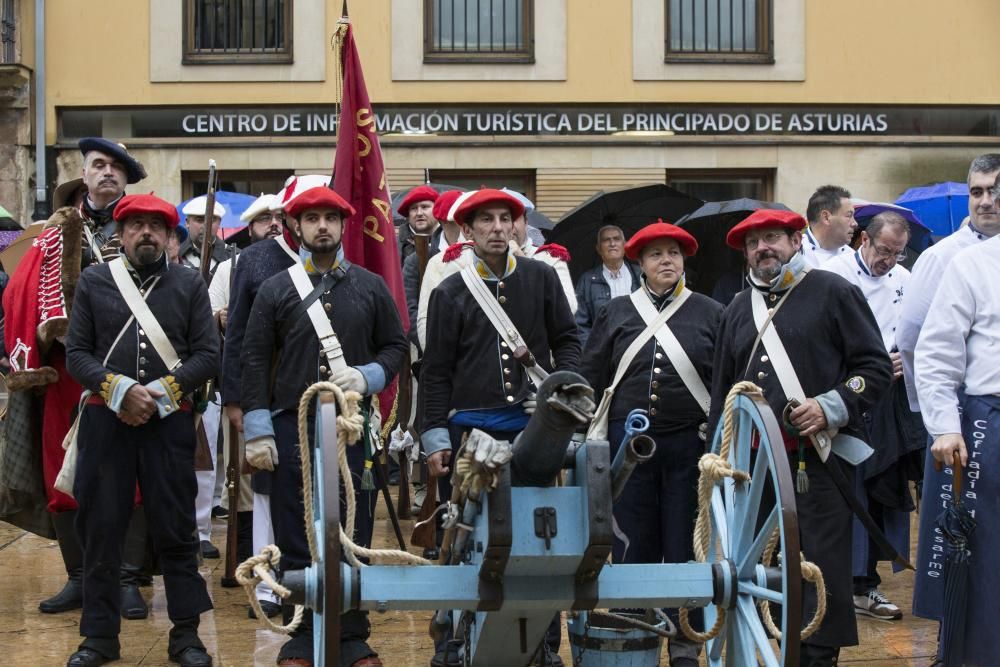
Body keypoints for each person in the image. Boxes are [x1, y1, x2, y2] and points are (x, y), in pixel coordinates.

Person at [709, 209, 892, 667]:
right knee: (761, 572)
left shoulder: (833, 292)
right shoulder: (735, 309)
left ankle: (817, 658)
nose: (762, 249)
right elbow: (722, 397)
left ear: (795, 240)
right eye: (752, 244)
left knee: (822, 568)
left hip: (817, 461)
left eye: (772, 238)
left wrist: (830, 405)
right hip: (752, 473)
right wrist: (715, 460)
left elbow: (874, 369)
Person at [241, 185, 406, 667]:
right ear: (296, 226)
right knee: (296, 531)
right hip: (291, 427)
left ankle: (352, 634)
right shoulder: (275, 289)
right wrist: (257, 428)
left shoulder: (371, 286)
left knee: (352, 531)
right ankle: (302, 632)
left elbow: (396, 347)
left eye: (330, 219)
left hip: (352, 431)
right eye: (311, 218)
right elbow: (252, 358)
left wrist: (367, 375)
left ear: (343, 225)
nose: (321, 227)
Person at [421, 188, 580, 667]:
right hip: (469, 433)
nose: (495, 228)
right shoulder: (450, 290)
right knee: (462, 540)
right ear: (467, 231)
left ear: (517, 227)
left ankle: (544, 643)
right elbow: (436, 372)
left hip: (532, 429)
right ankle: (450, 639)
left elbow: (568, 341)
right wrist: (433, 437)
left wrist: (562, 391)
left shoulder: (543, 278)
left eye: (504, 219)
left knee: (542, 540)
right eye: (484, 220)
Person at [64, 193, 218, 667]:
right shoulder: (93, 281)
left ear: (172, 237)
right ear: (120, 235)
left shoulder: (190, 286)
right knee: (101, 529)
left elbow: (208, 354)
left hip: (167, 426)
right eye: (136, 225)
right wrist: (119, 389)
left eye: (157, 226)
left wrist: (158, 396)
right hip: (104, 425)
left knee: (176, 530)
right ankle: (99, 638)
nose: (146, 233)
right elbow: (77, 355)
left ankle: (186, 635)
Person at [2, 137, 150, 620]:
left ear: (127, 179)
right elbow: (19, 296)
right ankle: (80, 578)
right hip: (63, 371)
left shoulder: (149, 229)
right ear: (83, 175)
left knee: (131, 476)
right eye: (98, 165)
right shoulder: (50, 235)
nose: (107, 173)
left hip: (130, 368)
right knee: (59, 472)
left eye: (116, 167)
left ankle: (127, 580)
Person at [580, 220, 721, 667]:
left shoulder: (711, 312)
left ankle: (684, 645)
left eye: (674, 254)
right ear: (639, 263)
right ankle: (630, 638)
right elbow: (592, 376)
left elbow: (724, 382)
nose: (667, 261)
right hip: (628, 451)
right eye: (657, 254)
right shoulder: (617, 312)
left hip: (688, 449)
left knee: (684, 546)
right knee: (630, 544)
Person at [819, 210, 924, 621]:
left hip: (891, 401)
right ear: (864, 238)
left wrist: (902, 359)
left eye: (898, 254)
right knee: (853, 490)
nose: (889, 261)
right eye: (884, 251)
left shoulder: (904, 278)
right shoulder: (834, 274)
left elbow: (915, 330)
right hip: (848, 393)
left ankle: (868, 581)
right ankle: (848, 580)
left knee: (886, 488)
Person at [911, 192, 1000, 667]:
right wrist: (945, 425)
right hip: (992, 421)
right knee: (986, 560)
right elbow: (935, 352)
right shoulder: (973, 265)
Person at [206, 193, 284, 581]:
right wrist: (233, 398)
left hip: (284, 382)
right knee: (245, 477)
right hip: (243, 381)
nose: (272, 225)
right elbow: (221, 326)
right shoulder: (230, 267)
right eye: (263, 220)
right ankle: (249, 562)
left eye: (276, 218)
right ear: (250, 228)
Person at [896, 153, 1000, 412]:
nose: (986, 202)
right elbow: (910, 337)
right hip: (963, 407)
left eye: (993, 191)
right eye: (977, 192)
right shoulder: (941, 257)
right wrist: (936, 404)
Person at [403, 189, 465, 345]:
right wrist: (430, 346)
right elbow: (409, 309)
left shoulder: (482, 254)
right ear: (443, 221)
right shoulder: (417, 260)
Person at [574, 225, 641, 344]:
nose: (612, 243)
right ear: (599, 248)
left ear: (625, 245)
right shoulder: (587, 280)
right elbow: (580, 324)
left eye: (616, 239)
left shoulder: (641, 274)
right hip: (603, 352)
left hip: (639, 347)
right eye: (606, 240)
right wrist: (593, 352)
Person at [509, 195, 577, 313]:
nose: (508, 226)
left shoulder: (549, 258)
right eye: (503, 219)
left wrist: (524, 263)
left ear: (526, 223)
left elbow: (569, 307)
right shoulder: (479, 259)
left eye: (513, 218)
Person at [800, 185, 857, 268]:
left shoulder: (852, 258)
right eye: (849, 216)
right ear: (826, 217)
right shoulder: (794, 253)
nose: (855, 223)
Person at [179, 195, 228, 277]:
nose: (206, 226)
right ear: (187, 222)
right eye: (199, 220)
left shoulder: (234, 257)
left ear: (219, 223)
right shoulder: (174, 255)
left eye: (211, 220)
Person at [396, 184, 439, 264]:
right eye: (414, 208)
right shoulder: (393, 247)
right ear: (408, 215)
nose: (419, 213)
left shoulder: (450, 242)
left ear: (437, 210)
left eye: (424, 207)